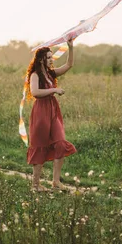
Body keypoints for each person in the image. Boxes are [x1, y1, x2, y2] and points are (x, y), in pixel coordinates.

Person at [25, 38, 76, 191]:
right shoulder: (35, 74)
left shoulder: (50, 73)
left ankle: (56, 182)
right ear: (40, 59)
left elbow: (69, 65)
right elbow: (35, 92)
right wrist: (54, 90)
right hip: (41, 111)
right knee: (40, 145)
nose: (51, 59)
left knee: (60, 142)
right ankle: (35, 185)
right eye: (48, 57)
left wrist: (71, 47)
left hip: (53, 110)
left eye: (51, 56)